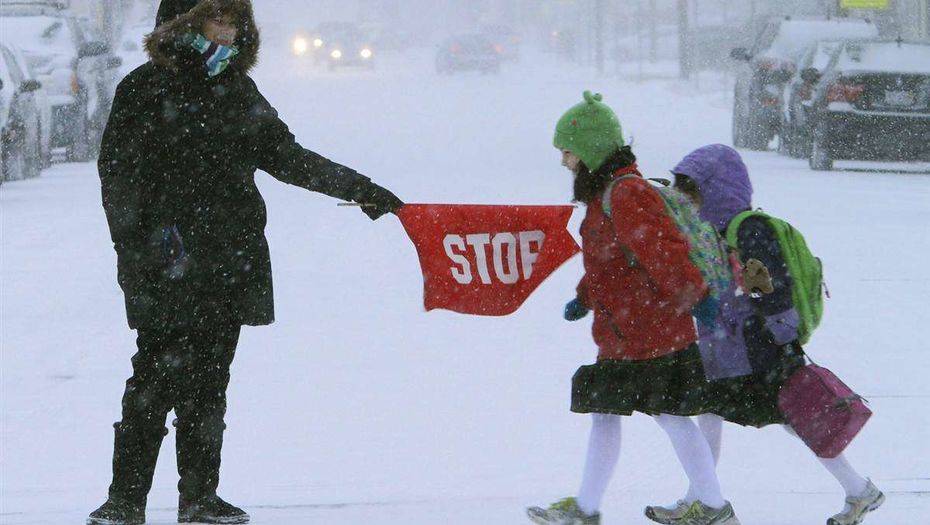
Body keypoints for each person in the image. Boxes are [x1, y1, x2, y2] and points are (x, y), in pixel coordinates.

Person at [88, 1, 403, 524]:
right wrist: (138, 247)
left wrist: (361, 189)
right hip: (165, 260)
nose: (230, 30)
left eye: (237, 21)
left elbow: (287, 157)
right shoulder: (144, 88)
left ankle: (199, 500)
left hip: (228, 260)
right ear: (184, 23)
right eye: (219, 18)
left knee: (210, 384)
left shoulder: (235, 89)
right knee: (153, 378)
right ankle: (125, 500)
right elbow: (117, 178)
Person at [526, 93, 740, 525]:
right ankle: (586, 509)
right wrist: (584, 297)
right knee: (613, 413)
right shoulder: (609, 194)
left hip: (650, 330)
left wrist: (697, 298)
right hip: (626, 329)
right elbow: (612, 260)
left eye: (568, 151)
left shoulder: (627, 195)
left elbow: (664, 253)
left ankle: (715, 508)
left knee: (671, 416)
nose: (565, 161)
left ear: (590, 150)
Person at [644, 144, 883, 525]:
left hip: (760, 348)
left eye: (691, 189)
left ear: (715, 189)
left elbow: (768, 285)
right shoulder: (715, 230)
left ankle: (858, 490)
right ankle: (703, 500)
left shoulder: (747, 228)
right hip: (729, 345)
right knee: (711, 412)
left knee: (799, 419)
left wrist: (780, 333)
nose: (686, 198)